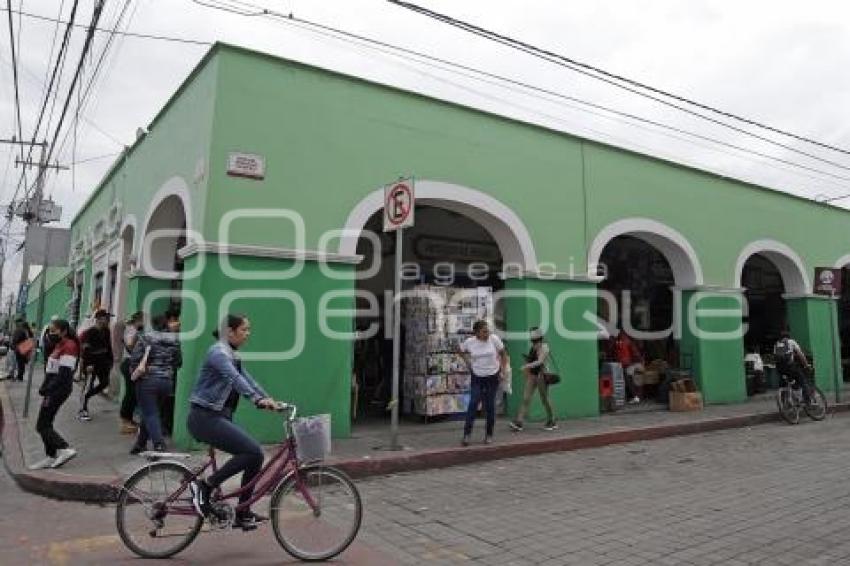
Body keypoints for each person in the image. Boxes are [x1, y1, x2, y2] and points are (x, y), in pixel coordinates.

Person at [187, 314, 279, 531]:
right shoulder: (218, 353)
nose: (248, 334)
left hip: (216, 417)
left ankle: (242, 513)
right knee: (252, 451)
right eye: (244, 329)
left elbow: (248, 379)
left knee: (255, 456)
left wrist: (269, 399)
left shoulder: (231, 355)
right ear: (229, 331)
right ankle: (205, 485)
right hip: (204, 418)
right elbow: (235, 380)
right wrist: (257, 399)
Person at [129, 312, 183, 454]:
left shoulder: (146, 337)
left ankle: (159, 444)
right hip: (167, 382)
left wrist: (135, 373)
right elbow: (179, 362)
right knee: (151, 412)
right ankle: (140, 444)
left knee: (150, 413)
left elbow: (135, 359)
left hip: (147, 381)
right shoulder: (174, 340)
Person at [29, 319, 80, 470]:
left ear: (63, 331)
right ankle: (50, 457)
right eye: (50, 331)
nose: (51, 334)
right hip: (52, 389)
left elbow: (64, 375)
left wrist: (48, 389)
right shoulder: (58, 345)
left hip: (59, 390)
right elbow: (51, 370)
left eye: (54, 331)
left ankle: (64, 449)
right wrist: (44, 386)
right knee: (46, 423)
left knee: (42, 425)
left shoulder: (69, 346)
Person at [459, 320, 508, 446]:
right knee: (473, 404)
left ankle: (489, 434)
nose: (487, 334)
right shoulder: (470, 342)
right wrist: (468, 363)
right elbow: (460, 350)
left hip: (492, 376)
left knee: (490, 406)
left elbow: (503, 354)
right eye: (484, 331)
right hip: (477, 377)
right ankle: (467, 435)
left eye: (488, 331)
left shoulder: (494, 339)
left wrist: (503, 370)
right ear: (477, 333)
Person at [510, 327, 557, 432]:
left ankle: (552, 419)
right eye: (533, 339)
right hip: (532, 375)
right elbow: (533, 360)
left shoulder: (545, 347)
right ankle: (519, 422)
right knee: (526, 398)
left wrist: (526, 366)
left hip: (542, 375)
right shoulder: (533, 347)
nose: (534, 341)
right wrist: (528, 361)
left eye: (536, 339)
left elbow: (540, 361)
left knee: (544, 399)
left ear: (540, 338)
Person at [78, 309, 115, 421]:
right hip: (91, 363)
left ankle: (87, 396)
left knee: (104, 383)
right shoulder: (90, 332)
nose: (107, 320)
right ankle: (82, 410)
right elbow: (86, 349)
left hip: (103, 363)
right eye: (105, 318)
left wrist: (110, 360)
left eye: (108, 318)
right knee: (88, 384)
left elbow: (108, 347)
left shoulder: (106, 331)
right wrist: (88, 364)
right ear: (99, 319)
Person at [119, 312, 145, 434]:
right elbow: (129, 345)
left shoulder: (134, 330)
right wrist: (137, 334)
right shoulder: (131, 330)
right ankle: (125, 421)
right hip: (129, 363)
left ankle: (128, 419)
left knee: (133, 392)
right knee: (131, 392)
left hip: (133, 364)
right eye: (144, 320)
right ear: (138, 320)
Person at [774, 330, 814, 404]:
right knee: (803, 381)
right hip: (790, 367)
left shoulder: (776, 344)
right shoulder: (791, 342)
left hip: (780, 369)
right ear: (788, 337)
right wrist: (806, 365)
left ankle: (784, 404)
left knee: (785, 384)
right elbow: (800, 355)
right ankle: (807, 401)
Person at [612, 331, 644, 404]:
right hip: (627, 363)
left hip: (623, 363)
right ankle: (636, 397)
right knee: (631, 381)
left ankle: (635, 397)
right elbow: (635, 352)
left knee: (627, 381)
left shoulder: (619, 341)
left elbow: (616, 352)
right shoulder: (626, 340)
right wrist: (640, 360)